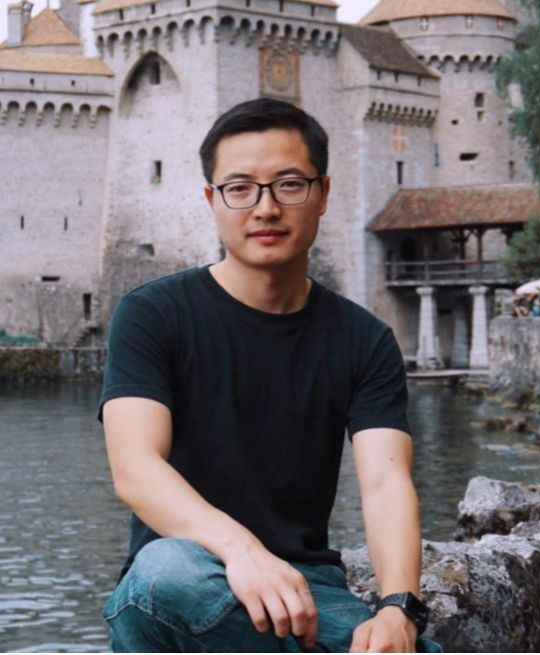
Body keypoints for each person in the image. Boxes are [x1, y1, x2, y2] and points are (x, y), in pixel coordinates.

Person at [99, 98, 441, 653]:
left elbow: (386, 485)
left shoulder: (365, 340)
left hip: (310, 586)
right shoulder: (152, 314)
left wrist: (398, 609)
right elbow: (135, 468)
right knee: (165, 573)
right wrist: (241, 551)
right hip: (184, 577)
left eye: (289, 185)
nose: (265, 208)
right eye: (240, 188)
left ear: (323, 194)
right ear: (212, 200)